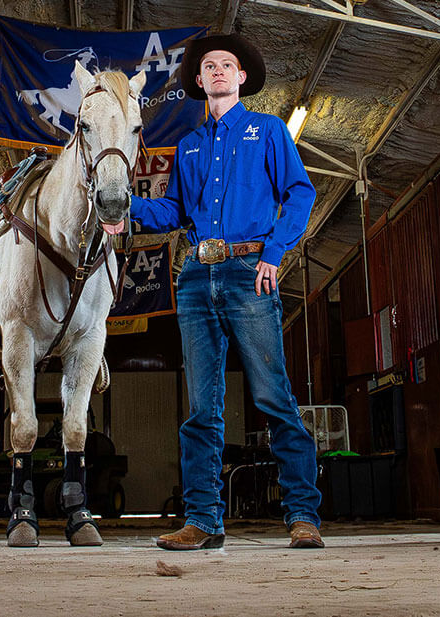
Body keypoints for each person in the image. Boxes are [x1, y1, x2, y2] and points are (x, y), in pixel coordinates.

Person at [102, 32, 323, 550]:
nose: (219, 71)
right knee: (203, 405)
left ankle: (303, 516)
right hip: (197, 278)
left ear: (242, 77)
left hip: (251, 273)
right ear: (198, 82)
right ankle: (203, 520)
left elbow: (300, 193)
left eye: (228, 65)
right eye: (209, 66)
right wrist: (123, 206)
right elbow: (174, 212)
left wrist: (274, 253)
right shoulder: (189, 146)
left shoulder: (268, 132)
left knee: (273, 397)